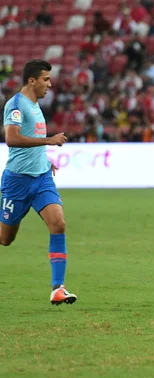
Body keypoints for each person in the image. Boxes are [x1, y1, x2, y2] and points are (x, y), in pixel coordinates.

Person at [1, 59, 76, 305]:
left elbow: (30, 137)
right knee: (5, 239)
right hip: (17, 182)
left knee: (58, 223)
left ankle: (58, 288)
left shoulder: (35, 105)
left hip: (41, 178)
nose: (50, 84)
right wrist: (48, 141)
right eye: (46, 79)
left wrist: (44, 159)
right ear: (32, 80)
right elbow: (12, 139)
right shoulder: (16, 105)